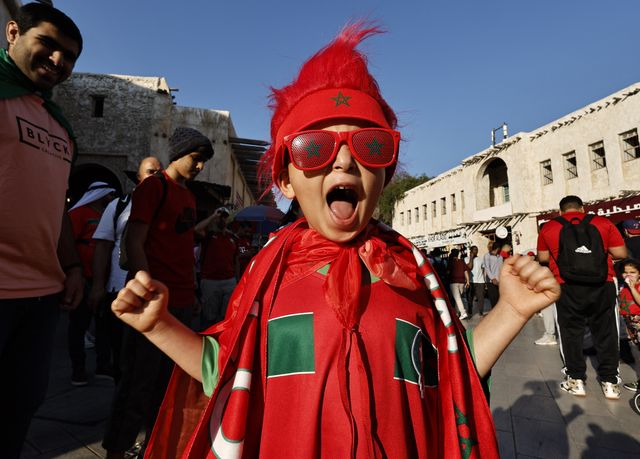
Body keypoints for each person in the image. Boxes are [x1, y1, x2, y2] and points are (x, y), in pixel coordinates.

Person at [111, 24, 559, 457]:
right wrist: (160, 325)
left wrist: (511, 310)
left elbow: (451, 378)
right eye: (314, 147)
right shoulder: (266, 280)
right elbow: (223, 372)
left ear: (385, 174)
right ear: (286, 180)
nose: (343, 161)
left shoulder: (410, 275)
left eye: (371, 146)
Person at [0, 3, 83, 456]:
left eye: (69, 56)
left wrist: (70, 264)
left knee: (19, 408)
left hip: (41, 294)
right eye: (47, 45)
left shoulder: (61, 126)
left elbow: (56, 205)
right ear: (13, 31)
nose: (58, 61)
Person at [102, 128, 213, 459]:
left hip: (181, 303)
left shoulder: (190, 196)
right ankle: (116, 450)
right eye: (196, 159)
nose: (200, 167)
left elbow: (181, 243)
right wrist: (144, 287)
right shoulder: (153, 187)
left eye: (205, 161)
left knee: (167, 387)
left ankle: (151, 446)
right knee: (137, 383)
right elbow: (133, 241)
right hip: (154, 303)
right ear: (178, 153)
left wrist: (192, 292)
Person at [537, 195, 627, 399]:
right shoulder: (603, 222)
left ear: (560, 211)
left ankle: (576, 380)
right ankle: (610, 382)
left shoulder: (549, 227)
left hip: (566, 285)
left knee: (570, 333)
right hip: (602, 283)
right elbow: (620, 253)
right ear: (582, 208)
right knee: (607, 332)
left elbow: (542, 258)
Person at [88, 157, 162, 383]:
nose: (154, 177)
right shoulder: (118, 205)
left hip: (155, 292)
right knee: (123, 356)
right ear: (139, 178)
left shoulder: (167, 207)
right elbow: (103, 245)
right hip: (120, 289)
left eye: (159, 173)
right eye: (150, 172)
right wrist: (98, 286)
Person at [67, 181, 117, 385]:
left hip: (103, 280)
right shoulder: (79, 214)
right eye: (109, 193)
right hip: (84, 280)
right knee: (78, 326)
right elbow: (69, 243)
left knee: (104, 327)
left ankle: (103, 366)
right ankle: (78, 370)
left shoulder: (107, 216)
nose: (112, 196)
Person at [194, 206, 239, 328]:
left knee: (227, 317)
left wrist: (238, 281)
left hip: (229, 281)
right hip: (210, 282)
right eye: (220, 217)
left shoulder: (233, 238)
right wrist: (214, 215)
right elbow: (197, 229)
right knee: (209, 318)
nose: (222, 220)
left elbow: (236, 261)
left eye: (224, 217)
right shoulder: (208, 236)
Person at [619, 258, 640, 392]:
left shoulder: (637, 286)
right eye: (625, 272)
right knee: (637, 352)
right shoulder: (622, 287)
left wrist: (633, 288)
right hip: (630, 324)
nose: (628, 275)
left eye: (632, 272)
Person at [447, 248, 469, 320]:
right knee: (458, 298)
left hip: (453, 282)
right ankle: (457, 313)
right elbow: (466, 271)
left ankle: (463, 313)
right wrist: (468, 281)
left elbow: (448, 272)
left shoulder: (451, 262)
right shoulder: (462, 261)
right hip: (462, 282)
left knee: (457, 298)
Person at [465, 245, 487, 317]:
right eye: (474, 249)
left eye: (476, 249)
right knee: (470, 297)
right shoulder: (466, 259)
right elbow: (469, 268)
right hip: (471, 281)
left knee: (481, 297)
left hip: (480, 281)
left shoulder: (481, 259)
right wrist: (471, 258)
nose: (476, 251)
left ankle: (481, 311)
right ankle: (470, 310)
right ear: (471, 251)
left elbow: (483, 269)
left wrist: (484, 279)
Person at [482, 241, 503, 310]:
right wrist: (493, 278)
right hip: (491, 281)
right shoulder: (487, 256)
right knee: (493, 298)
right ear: (497, 248)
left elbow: (501, 268)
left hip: (499, 280)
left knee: (499, 298)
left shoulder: (500, 257)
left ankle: (499, 312)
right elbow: (487, 268)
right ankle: (495, 313)